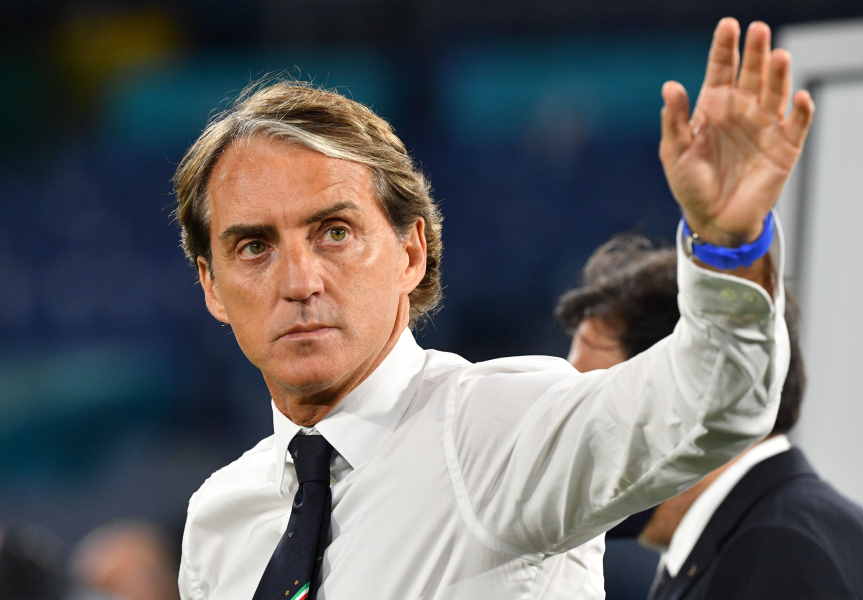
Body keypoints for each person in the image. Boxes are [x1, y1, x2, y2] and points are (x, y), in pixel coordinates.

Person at [173, 18, 814, 600]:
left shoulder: (499, 429)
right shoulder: (220, 522)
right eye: (253, 247)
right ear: (212, 286)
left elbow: (716, 401)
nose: (299, 280)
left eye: (334, 233)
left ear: (411, 253)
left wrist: (729, 244)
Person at [556, 237, 863, 599]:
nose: (572, 433)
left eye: (595, 406)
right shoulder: (766, 534)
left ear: (698, 398)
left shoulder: (777, 553)